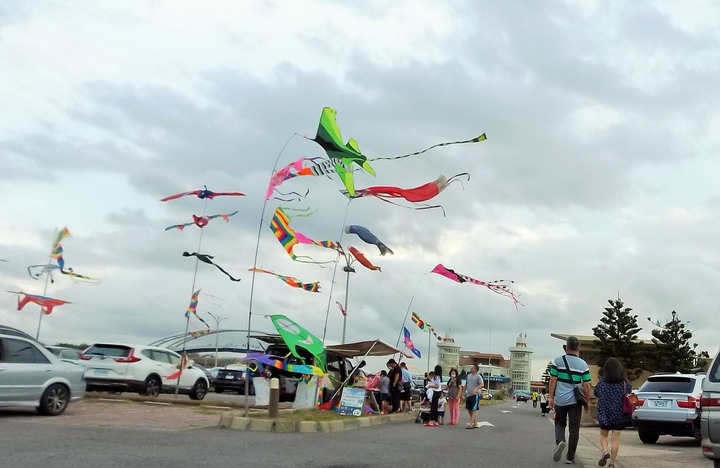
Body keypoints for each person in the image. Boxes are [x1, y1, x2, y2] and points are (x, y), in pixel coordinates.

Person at [549, 336, 591, 464]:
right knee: (574, 429)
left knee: (559, 424)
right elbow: (587, 385)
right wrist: (587, 402)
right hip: (575, 402)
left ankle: (560, 441)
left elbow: (552, 380)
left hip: (560, 400)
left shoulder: (557, 361)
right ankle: (570, 457)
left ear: (566, 347)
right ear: (578, 348)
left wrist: (551, 397)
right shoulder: (583, 364)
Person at [593, 358, 632, 468]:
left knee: (603, 435)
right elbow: (630, 393)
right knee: (615, 439)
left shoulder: (602, 382)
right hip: (619, 415)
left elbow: (596, 392)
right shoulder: (624, 383)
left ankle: (605, 452)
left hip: (605, 414)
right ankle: (612, 463)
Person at [464, 364, 484, 429]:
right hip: (468, 395)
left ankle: (471, 424)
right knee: (469, 409)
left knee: (474, 409)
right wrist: (462, 392)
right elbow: (466, 384)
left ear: (475, 369)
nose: (471, 368)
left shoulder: (478, 377)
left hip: (475, 395)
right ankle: (475, 423)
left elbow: (482, 384)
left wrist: (476, 389)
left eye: (472, 367)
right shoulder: (469, 376)